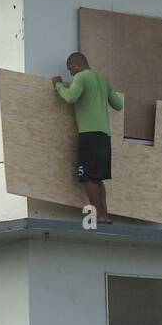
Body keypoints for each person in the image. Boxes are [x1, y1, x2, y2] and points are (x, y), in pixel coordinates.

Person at [53, 52, 123, 224]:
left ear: (77, 64)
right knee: (98, 178)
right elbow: (118, 105)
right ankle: (105, 215)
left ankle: (98, 215)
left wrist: (58, 86)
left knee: (88, 178)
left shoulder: (82, 77)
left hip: (88, 134)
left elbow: (71, 97)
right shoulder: (103, 80)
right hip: (104, 135)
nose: (70, 73)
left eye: (70, 69)